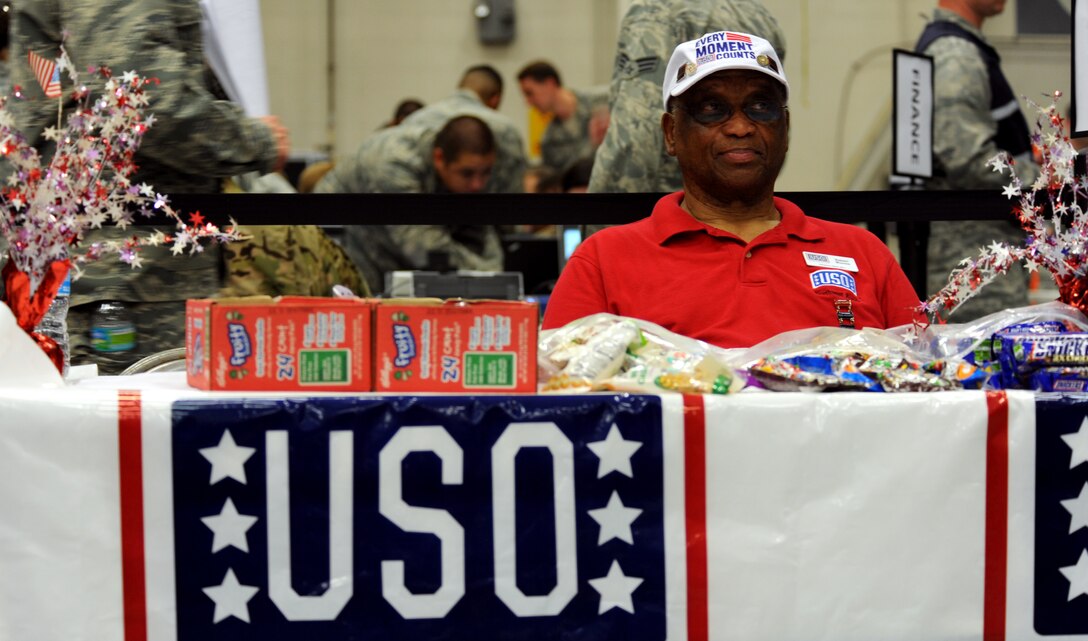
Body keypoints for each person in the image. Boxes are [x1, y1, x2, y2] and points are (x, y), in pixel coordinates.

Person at [542, 31, 922, 348]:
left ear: (784, 129)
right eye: (712, 108)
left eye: (760, 106)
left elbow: (928, 381)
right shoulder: (604, 262)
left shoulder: (864, 254)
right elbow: (563, 393)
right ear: (671, 133)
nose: (740, 127)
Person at [9, 0, 290, 374]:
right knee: (130, 428)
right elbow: (140, 96)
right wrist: (255, 141)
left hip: (102, 269)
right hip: (129, 281)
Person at [918, 0, 1039, 321]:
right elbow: (967, 157)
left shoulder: (959, 47)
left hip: (976, 265)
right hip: (974, 267)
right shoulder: (957, 54)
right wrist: (1043, 178)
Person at [586, 0, 786, 194]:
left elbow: (635, 133)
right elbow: (772, 122)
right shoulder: (758, 13)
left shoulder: (657, 11)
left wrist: (603, 213)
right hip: (745, 205)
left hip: (670, 205)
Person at [317, 115, 504, 294]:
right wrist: (487, 275)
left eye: (486, 172)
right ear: (439, 159)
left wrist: (497, 276)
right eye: (467, 174)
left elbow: (482, 235)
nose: (477, 184)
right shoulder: (394, 163)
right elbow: (422, 246)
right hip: (344, 236)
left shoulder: (466, 166)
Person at [516, 60, 608, 174]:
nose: (528, 102)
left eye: (529, 93)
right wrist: (592, 144)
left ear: (550, 83)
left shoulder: (605, 99)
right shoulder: (550, 142)